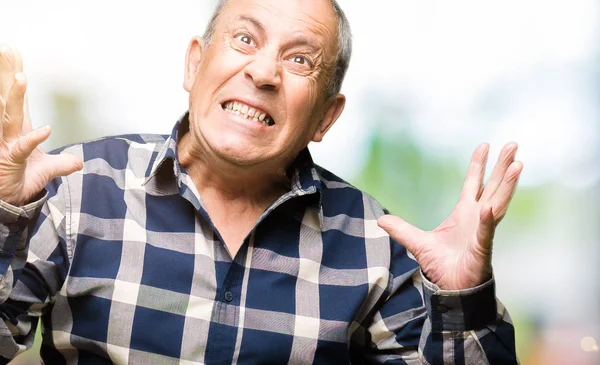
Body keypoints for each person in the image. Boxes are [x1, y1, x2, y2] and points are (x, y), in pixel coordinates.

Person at [0, 0, 522, 363]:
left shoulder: (373, 249)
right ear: (195, 63)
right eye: (245, 38)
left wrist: (464, 299)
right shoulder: (75, 191)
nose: (264, 72)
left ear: (326, 117)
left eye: (300, 59)